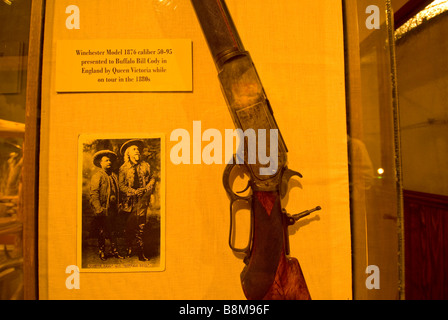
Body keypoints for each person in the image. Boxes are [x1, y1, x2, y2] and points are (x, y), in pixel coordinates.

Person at [118, 140, 155, 261]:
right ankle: (129, 248)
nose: (137, 151)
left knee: (141, 226)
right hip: (128, 202)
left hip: (142, 201)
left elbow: (152, 179)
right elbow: (121, 185)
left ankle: (140, 252)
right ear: (128, 154)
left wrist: (145, 189)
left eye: (138, 150)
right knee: (129, 226)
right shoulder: (123, 168)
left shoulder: (146, 166)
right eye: (134, 149)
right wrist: (133, 192)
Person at [89, 149, 124, 261]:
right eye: (106, 160)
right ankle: (102, 251)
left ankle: (114, 251)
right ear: (101, 163)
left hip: (113, 208)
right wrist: (98, 208)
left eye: (110, 161)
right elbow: (94, 193)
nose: (109, 162)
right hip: (103, 209)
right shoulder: (97, 176)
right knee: (102, 231)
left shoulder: (114, 176)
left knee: (113, 230)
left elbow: (118, 191)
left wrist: (120, 204)